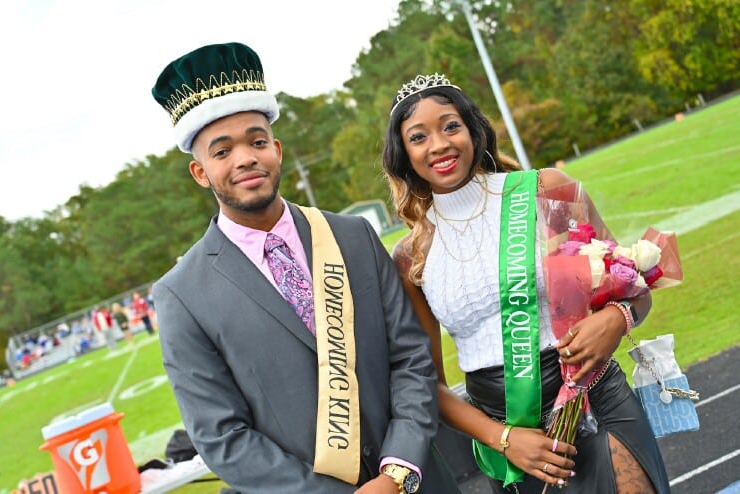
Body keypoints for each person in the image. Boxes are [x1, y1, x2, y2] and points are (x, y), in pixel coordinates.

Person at [150, 42, 460, 494]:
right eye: (222, 152)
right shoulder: (182, 294)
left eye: (257, 142)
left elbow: (411, 358)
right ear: (200, 173)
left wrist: (396, 471)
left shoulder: (352, 236)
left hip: (418, 482)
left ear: (275, 149)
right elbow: (223, 438)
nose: (245, 158)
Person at [381, 73, 671, 493]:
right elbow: (428, 385)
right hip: (513, 437)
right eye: (419, 136)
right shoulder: (411, 256)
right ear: (404, 154)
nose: (440, 144)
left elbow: (632, 288)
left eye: (450, 126)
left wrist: (617, 317)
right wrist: (503, 439)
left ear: (473, 130)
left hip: (595, 400)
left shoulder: (544, 191)